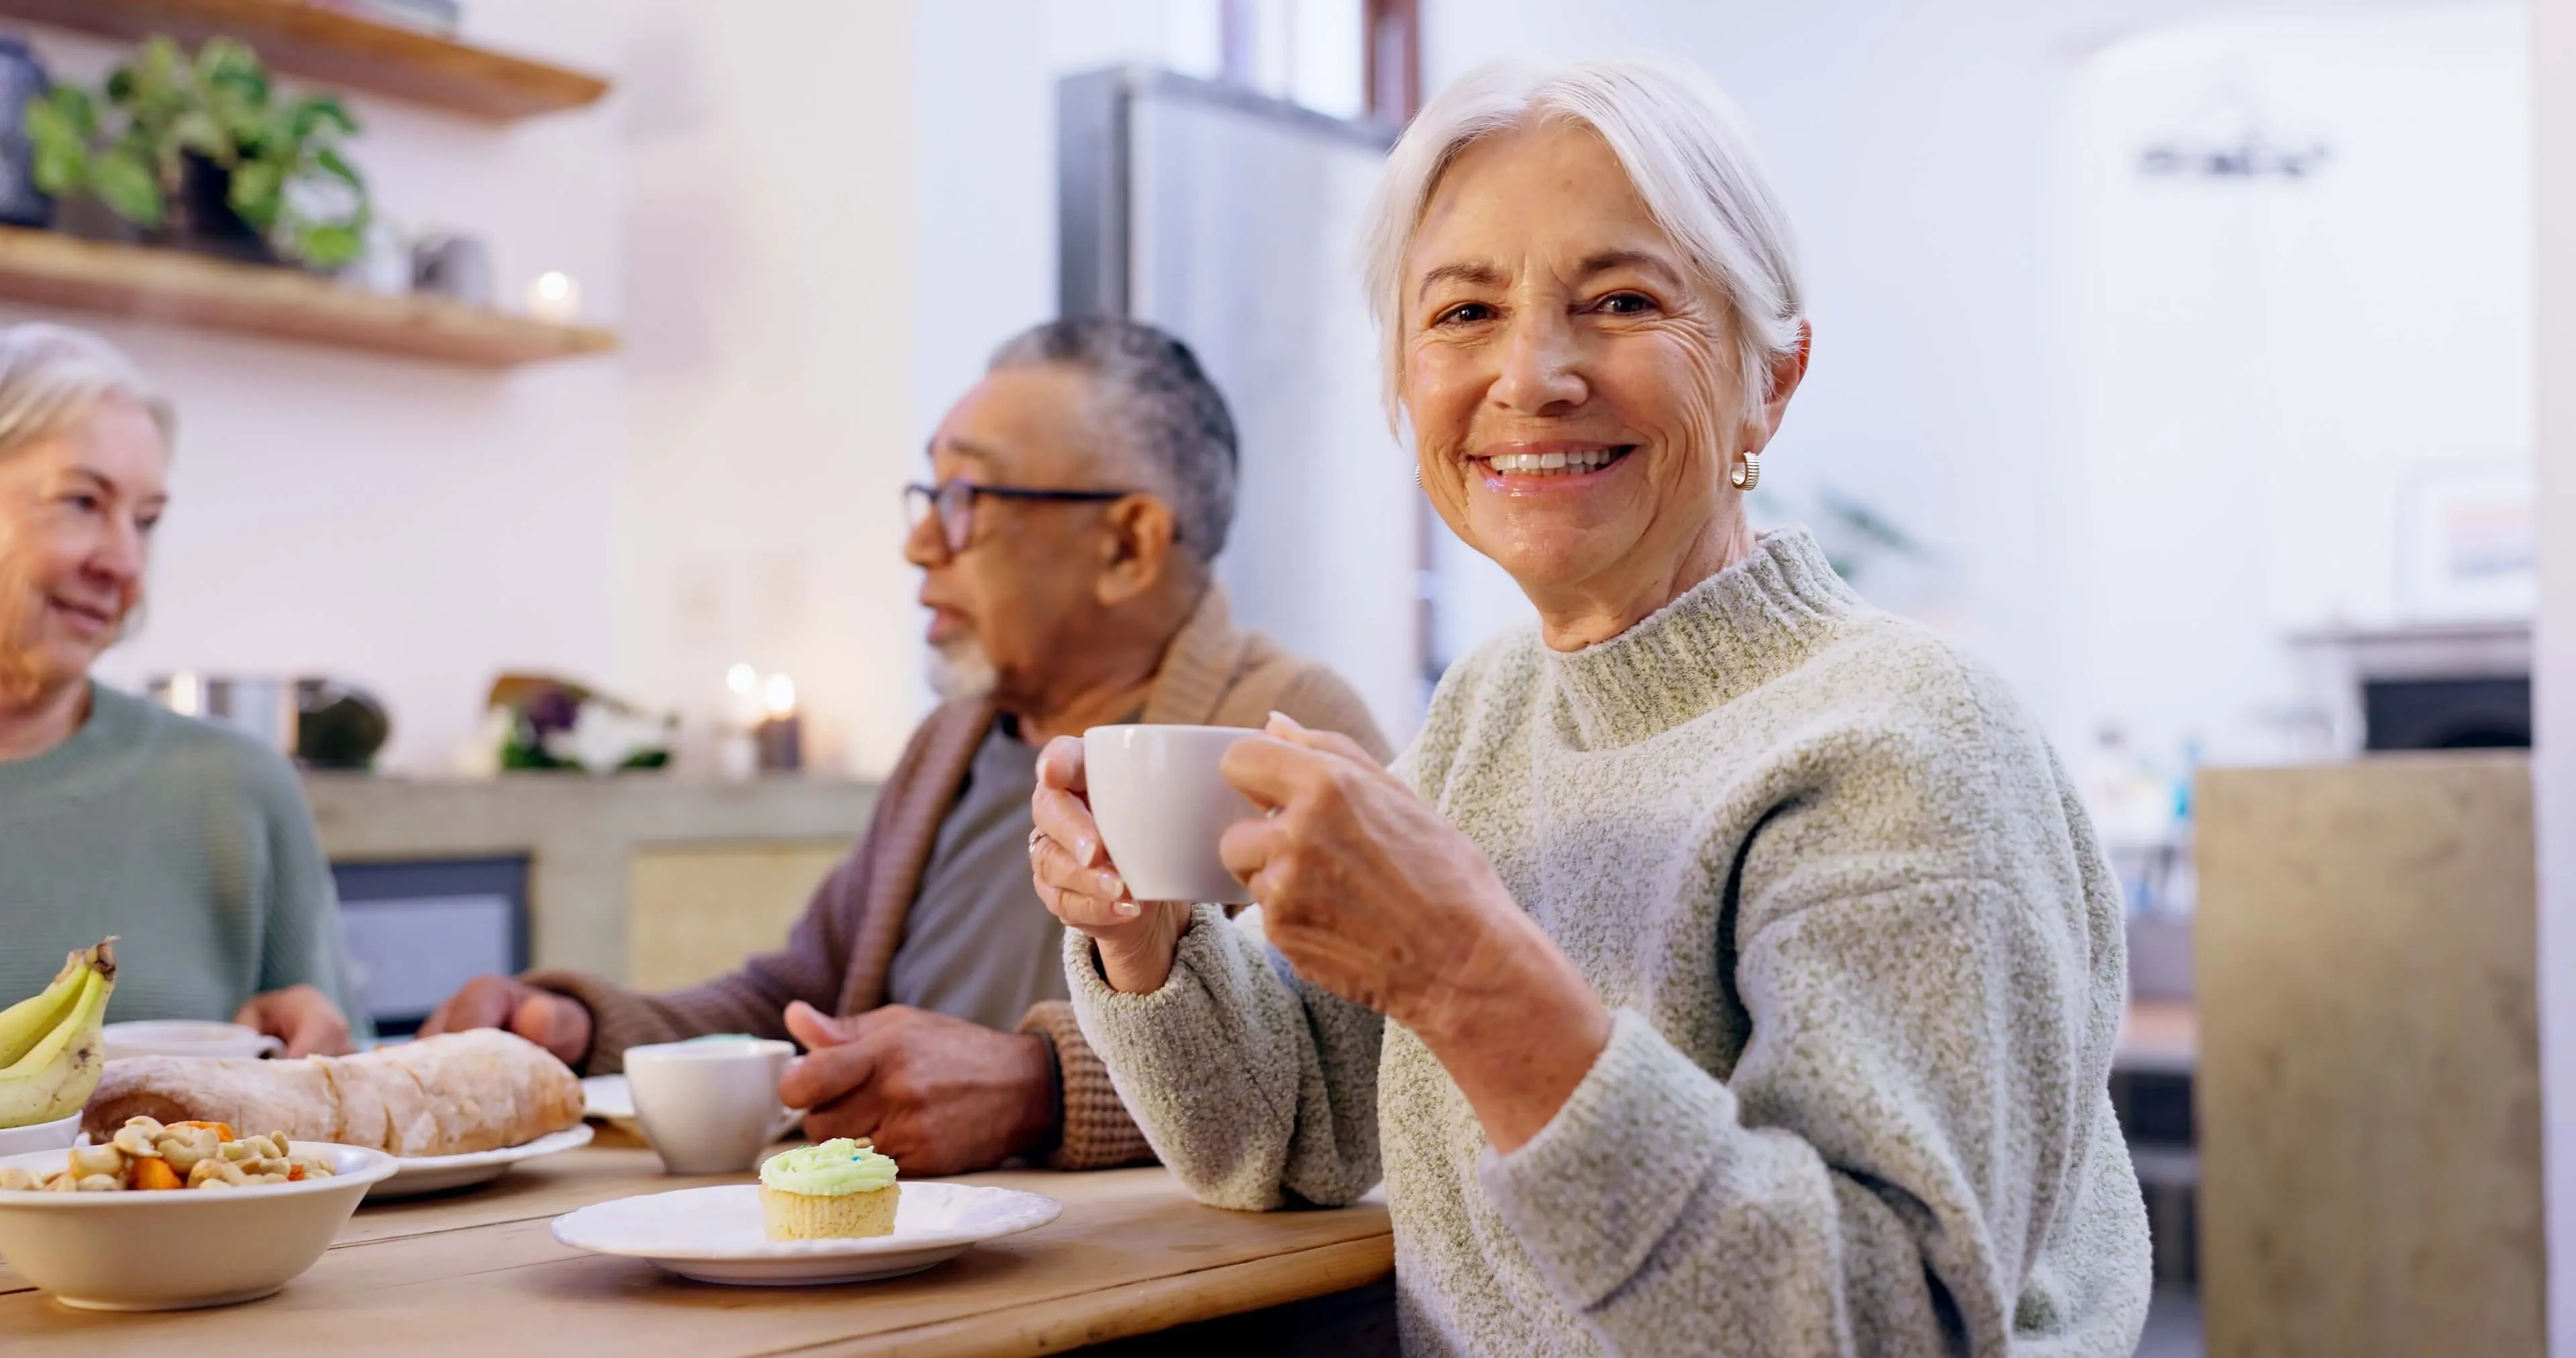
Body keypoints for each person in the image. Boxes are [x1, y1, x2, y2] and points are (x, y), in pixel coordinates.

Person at [1031, 60, 2150, 1355]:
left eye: (1620, 300)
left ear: (1768, 378)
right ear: (1404, 387)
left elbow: (1887, 1318)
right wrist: (1150, 942)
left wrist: (1466, 972)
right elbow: (1298, 1139)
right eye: (1461, 312)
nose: (1530, 376)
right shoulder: (1492, 705)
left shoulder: (1902, 740)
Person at [424, 317, 1389, 1175]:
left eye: (966, 495)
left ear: (1128, 545)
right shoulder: (952, 741)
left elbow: (1337, 1066)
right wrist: (585, 1030)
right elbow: (797, 998)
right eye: (928, 492)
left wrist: (1036, 1082)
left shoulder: (1284, 724)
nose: (921, 542)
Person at [0, 323, 364, 1057]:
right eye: (81, 502)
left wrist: (318, 1053)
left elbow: (343, 1095)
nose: (126, 563)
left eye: (147, 521)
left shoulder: (233, 786)